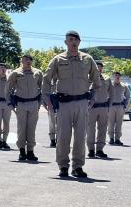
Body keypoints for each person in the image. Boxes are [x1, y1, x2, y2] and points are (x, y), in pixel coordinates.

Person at [42, 31, 101, 178]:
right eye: (70, 40)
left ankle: (78, 167)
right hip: (64, 103)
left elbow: (96, 80)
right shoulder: (58, 59)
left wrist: (93, 97)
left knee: (81, 137)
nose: (73, 42)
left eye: (75, 40)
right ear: (66, 42)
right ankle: (63, 166)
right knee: (63, 136)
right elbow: (46, 79)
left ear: (79, 42)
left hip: (82, 102)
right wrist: (46, 97)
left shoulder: (87, 59)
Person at [6, 54, 43, 162]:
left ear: (31, 61)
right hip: (21, 104)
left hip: (33, 104)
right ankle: (22, 151)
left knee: (32, 129)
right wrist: (9, 102)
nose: (27, 61)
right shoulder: (16, 73)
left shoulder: (38, 73)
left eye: (29, 60)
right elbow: (8, 88)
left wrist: (39, 103)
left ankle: (30, 151)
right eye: (25, 60)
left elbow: (42, 88)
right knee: (21, 129)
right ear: (21, 61)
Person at [86, 61, 112, 159]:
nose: (99, 69)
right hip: (91, 108)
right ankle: (91, 149)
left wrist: (109, 105)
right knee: (90, 129)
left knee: (102, 129)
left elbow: (112, 93)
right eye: (97, 67)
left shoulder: (107, 79)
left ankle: (100, 149)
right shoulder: (88, 79)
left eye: (100, 67)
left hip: (103, 107)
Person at [107, 71, 129, 146]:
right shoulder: (110, 85)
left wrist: (125, 105)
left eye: (118, 76)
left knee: (119, 123)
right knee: (110, 123)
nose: (117, 77)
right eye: (116, 75)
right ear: (113, 77)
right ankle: (111, 138)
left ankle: (117, 139)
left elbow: (127, 96)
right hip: (111, 106)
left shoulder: (124, 86)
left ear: (120, 77)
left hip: (120, 106)